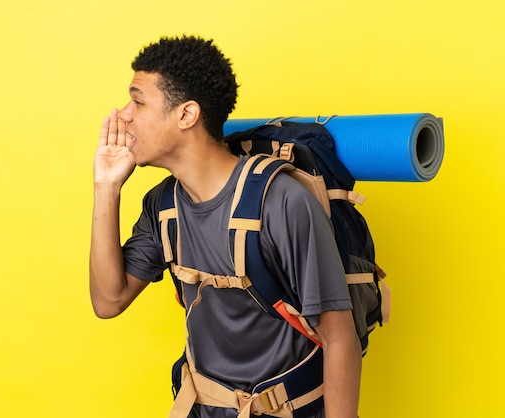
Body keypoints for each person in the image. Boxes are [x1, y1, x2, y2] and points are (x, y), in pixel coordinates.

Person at [89, 35, 362, 418]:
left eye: (137, 100)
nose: (123, 115)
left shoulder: (281, 201)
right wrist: (106, 187)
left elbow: (339, 339)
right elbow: (108, 301)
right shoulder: (162, 205)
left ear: (186, 115)